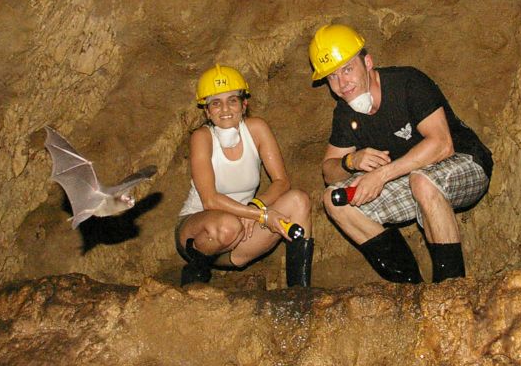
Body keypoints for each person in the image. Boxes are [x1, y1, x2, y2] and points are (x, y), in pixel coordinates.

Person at [311, 24, 493, 283]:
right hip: (410, 177)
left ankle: (451, 289)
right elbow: (329, 171)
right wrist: (351, 161)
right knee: (335, 200)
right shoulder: (344, 112)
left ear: (368, 62)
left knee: (423, 181)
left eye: (347, 69)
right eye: (332, 77)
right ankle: (410, 288)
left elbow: (442, 144)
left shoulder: (407, 83)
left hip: (466, 162)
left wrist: (381, 175)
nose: (342, 84)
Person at [176, 64, 314, 287]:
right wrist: (260, 215)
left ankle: (299, 292)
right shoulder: (202, 137)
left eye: (232, 100)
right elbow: (210, 200)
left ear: (244, 104)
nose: (225, 109)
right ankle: (194, 279)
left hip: (243, 235)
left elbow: (282, 182)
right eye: (215, 103)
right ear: (207, 111)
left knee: (299, 200)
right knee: (228, 225)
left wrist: (256, 206)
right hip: (202, 232)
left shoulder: (257, 129)